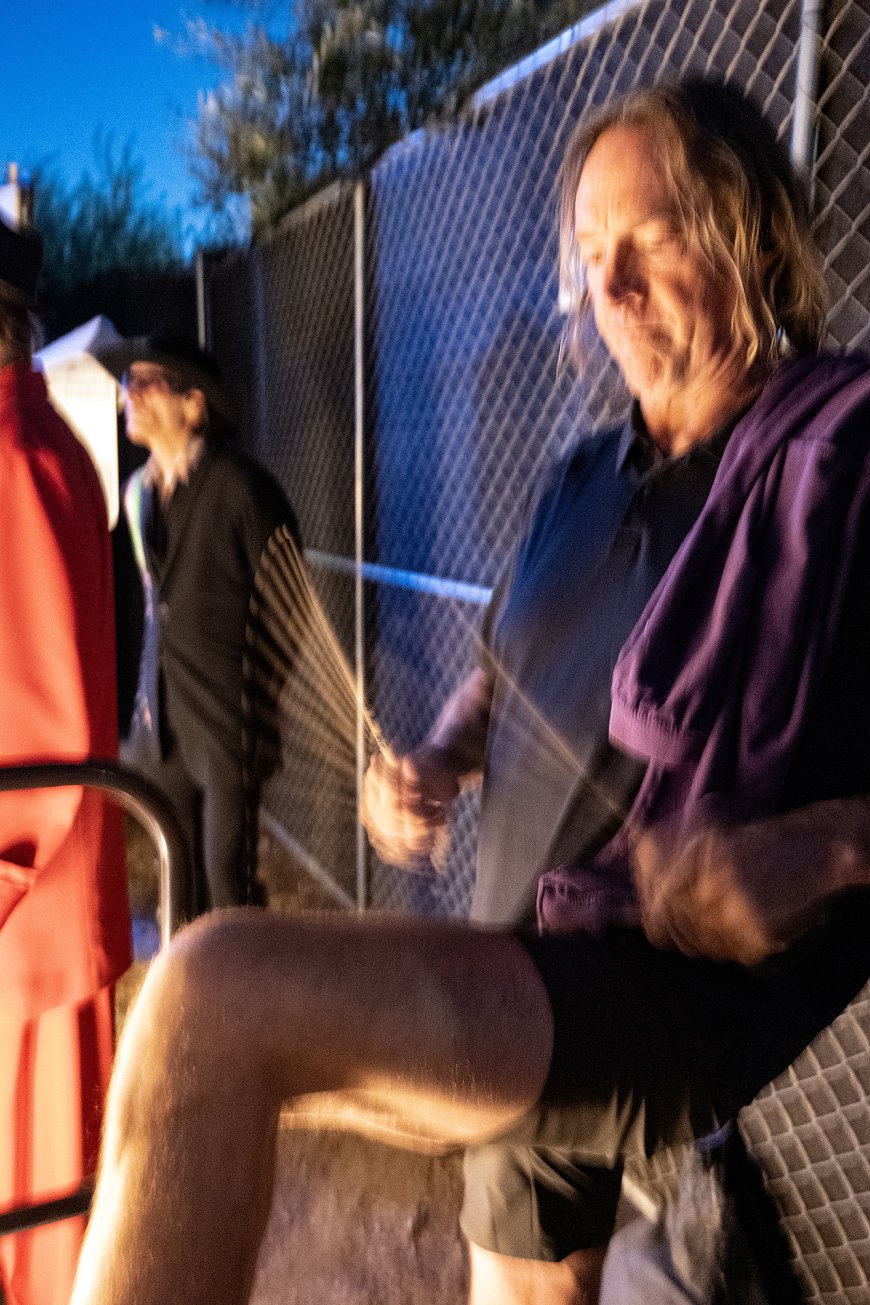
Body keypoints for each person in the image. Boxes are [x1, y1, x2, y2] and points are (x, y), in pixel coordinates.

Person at [71, 78, 870, 1305]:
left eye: (650, 240)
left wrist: (823, 848)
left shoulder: (840, 452)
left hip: (650, 988)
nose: (608, 286)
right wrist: (441, 754)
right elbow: (497, 677)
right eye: (590, 252)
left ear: (751, 237)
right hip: (520, 952)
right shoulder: (583, 474)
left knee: (204, 1001)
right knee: (521, 1287)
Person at [0, 214, 131, 1305]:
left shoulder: (13, 456)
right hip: (31, 933)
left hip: (24, 943)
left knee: (40, 1243)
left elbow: (46, 744)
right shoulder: (30, 442)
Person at [97, 334, 301, 918]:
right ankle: (186, 973)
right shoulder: (137, 494)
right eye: (128, 383)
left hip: (226, 722)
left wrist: (254, 696)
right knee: (175, 874)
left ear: (193, 405)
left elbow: (288, 603)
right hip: (161, 722)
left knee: (226, 875)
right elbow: (154, 605)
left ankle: (241, 977)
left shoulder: (240, 488)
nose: (130, 395)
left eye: (147, 383)